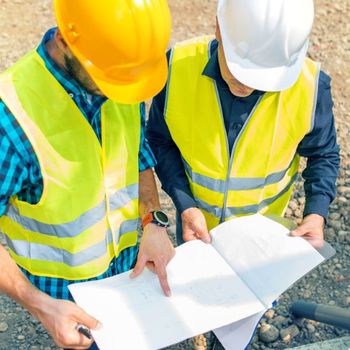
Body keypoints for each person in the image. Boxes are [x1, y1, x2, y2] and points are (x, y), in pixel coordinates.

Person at [147, 0, 340, 348]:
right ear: (220, 28)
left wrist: (316, 212)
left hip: (263, 244)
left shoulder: (310, 87)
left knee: (240, 321)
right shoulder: (176, 69)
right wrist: (185, 202)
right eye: (239, 72)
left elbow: (323, 154)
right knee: (193, 303)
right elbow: (159, 141)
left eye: (260, 79)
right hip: (195, 226)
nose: (247, 87)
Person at [0, 0, 175, 349]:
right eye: (109, 79)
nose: (121, 90)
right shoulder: (10, 118)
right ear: (65, 41)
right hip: (63, 294)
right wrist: (41, 306)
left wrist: (152, 221)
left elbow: (138, 155)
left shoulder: (122, 73)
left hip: (129, 273)